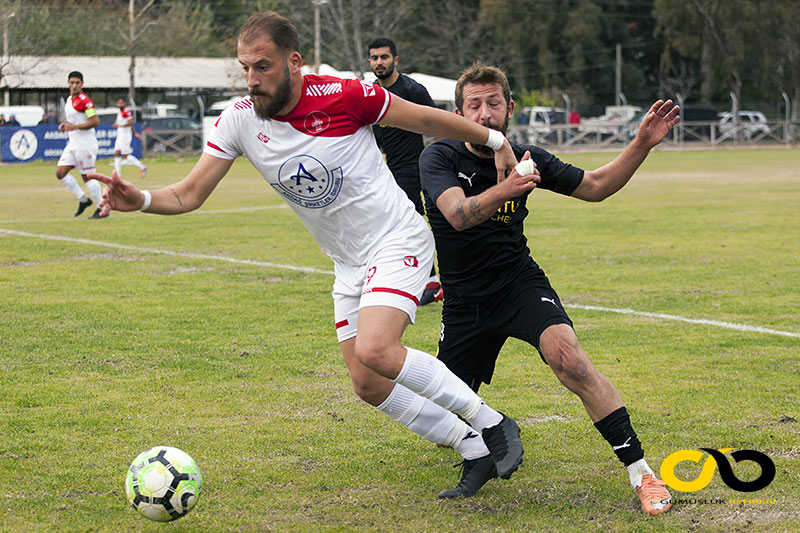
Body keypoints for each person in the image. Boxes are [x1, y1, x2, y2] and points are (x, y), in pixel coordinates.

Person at [91, 11, 525, 497]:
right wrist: (142, 201)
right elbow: (189, 193)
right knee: (367, 383)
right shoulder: (238, 120)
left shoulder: (346, 95)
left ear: (293, 62)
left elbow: (423, 118)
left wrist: (494, 138)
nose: (252, 80)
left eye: (263, 67)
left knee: (377, 349)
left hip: (397, 239)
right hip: (348, 264)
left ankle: (492, 423)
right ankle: (473, 449)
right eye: (245, 68)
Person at [419, 62, 679, 511]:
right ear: (458, 113)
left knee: (572, 361)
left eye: (493, 103)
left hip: (518, 284)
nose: (484, 114)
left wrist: (640, 145)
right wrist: (511, 187)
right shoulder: (439, 157)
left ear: (510, 109)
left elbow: (596, 187)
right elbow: (459, 215)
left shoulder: (529, 157)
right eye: (473, 105)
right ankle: (487, 436)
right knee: (441, 416)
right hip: (463, 300)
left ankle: (642, 474)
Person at [367, 37, 443, 306]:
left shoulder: (412, 90)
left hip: (420, 166)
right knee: (404, 226)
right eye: (374, 58)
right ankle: (428, 281)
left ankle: (434, 281)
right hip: (392, 171)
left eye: (384, 57)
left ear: (395, 60)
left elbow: (437, 125)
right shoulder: (371, 93)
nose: (379, 62)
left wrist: (440, 162)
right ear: (369, 62)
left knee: (432, 223)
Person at [56, 71, 107, 219]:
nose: (74, 85)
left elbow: (95, 121)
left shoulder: (85, 101)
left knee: (87, 176)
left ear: (82, 84)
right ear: (68, 83)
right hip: (73, 144)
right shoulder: (69, 99)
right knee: (60, 173)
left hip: (85, 144)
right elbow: (73, 121)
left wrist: (75, 127)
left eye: (77, 83)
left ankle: (103, 208)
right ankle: (83, 199)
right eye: (72, 83)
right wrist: (65, 126)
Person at [112, 97, 147, 178]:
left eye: (121, 103)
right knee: (117, 153)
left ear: (124, 104)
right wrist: (135, 133)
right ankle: (117, 174)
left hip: (125, 136)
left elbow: (130, 123)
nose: (120, 104)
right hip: (120, 135)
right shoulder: (119, 113)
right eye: (118, 103)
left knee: (125, 156)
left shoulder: (126, 112)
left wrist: (134, 133)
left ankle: (142, 167)